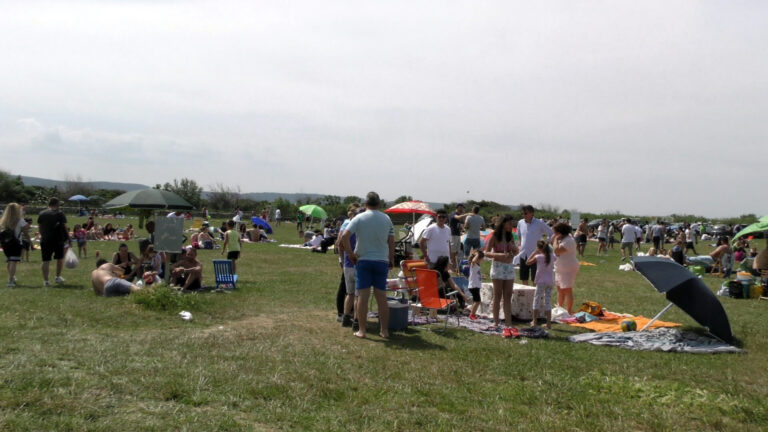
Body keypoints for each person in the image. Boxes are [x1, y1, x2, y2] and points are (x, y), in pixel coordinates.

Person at [340, 191, 395, 339]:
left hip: (363, 260)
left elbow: (344, 237)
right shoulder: (387, 219)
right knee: (382, 298)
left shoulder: (359, 217)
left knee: (362, 297)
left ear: (365, 204)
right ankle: (384, 330)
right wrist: (391, 259)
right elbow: (391, 241)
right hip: (382, 261)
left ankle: (362, 330)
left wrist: (351, 254)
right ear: (379, 204)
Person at [484, 215, 519, 330]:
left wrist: (514, 251)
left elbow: (515, 252)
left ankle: (508, 322)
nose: (511, 226)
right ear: (503, 224)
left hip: (509, 267)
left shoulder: (511, 237)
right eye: (509, 223)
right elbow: (487, 252)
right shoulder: (495, 236)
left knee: (508, 295)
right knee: (497, 295)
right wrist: (498, 255)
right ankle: (496, 321)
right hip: (498, 267)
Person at [516, 205, 553, 286]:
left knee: (535, 278)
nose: (523, 215)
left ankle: (535, 295)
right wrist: (519, 245)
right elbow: (519, 236)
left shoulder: (539, 223)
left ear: (532, 213)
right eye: (522, 213)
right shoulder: (520, 222)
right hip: (523, 254)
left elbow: (551, 233)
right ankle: (526, 295)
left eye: (525, 213)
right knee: (523, 277)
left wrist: (545, 244)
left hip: (536, 254)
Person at [336, 205, 360, 327]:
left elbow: (339, 245)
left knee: (349, 294)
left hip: (346, 264)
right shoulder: (359, 231)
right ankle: (357, 321)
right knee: (358, 295)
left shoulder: (346, 229)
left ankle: (345, 317)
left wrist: (342, 258)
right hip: (357, 265)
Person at [38, 197, 68, 286]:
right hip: (58, 239)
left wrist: (43, 235)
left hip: (45, 239)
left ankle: (46, 281)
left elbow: (40, 227)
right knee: (60, 258)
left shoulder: (42, 213)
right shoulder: (60, 213)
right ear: (57, 204)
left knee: (45, 260)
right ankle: (57, 277)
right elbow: (64, 227)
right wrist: (68, 238)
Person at [552, 222, 579, 314]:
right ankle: (559, 308)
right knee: (560, 289)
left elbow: (557, 250)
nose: (554, 235)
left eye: (555, 232)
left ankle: (568, 311)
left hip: (568, 268)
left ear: (560, 232)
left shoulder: (568, 241)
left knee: (567, 289)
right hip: (560, 268)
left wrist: (555, 240)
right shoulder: (563, 240)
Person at [526, 240, 554, 328]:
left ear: (539, 249)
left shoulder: (538, 257)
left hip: (541, 281)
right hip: (550, 281)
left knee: (537, 299)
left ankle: (534, 321)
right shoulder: (552, 256)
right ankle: (548, 323)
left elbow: (527, 262)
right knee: (548, 301)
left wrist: (534, 252)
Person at [1, 203, 29, 287]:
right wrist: (30, 242)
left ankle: (12, 277)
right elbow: (26, 231)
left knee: (10, 261)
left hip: (5, 244)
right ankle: (11, 280)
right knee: (13, 261)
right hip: (16, 243)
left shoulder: (3, 220)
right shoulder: (20, 220)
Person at [448, 204, 469, 269]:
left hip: (458, 234)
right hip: (453, 234)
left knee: (457, 250)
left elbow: (461, 224)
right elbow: (457, 217)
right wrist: (466, 214)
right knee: (452, 250)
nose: (462, 209)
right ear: (458, 207)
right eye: (462, 208)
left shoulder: (460, 216)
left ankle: (454, 264)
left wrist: (462, 228)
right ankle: (451, 264)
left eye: (463, 208)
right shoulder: (453, 214)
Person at [466, 249, 485, 321]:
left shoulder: (477, 265)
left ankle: (472, 312)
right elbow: (473, 261)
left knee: (476, 301)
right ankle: (472, 314)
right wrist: (477, 254)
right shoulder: (473, 264)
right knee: (477, 301)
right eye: (482, 258)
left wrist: (481, 276)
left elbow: (476, 274)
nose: (483, 260)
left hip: (476, 286)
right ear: (478, 259)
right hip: (474, 286)